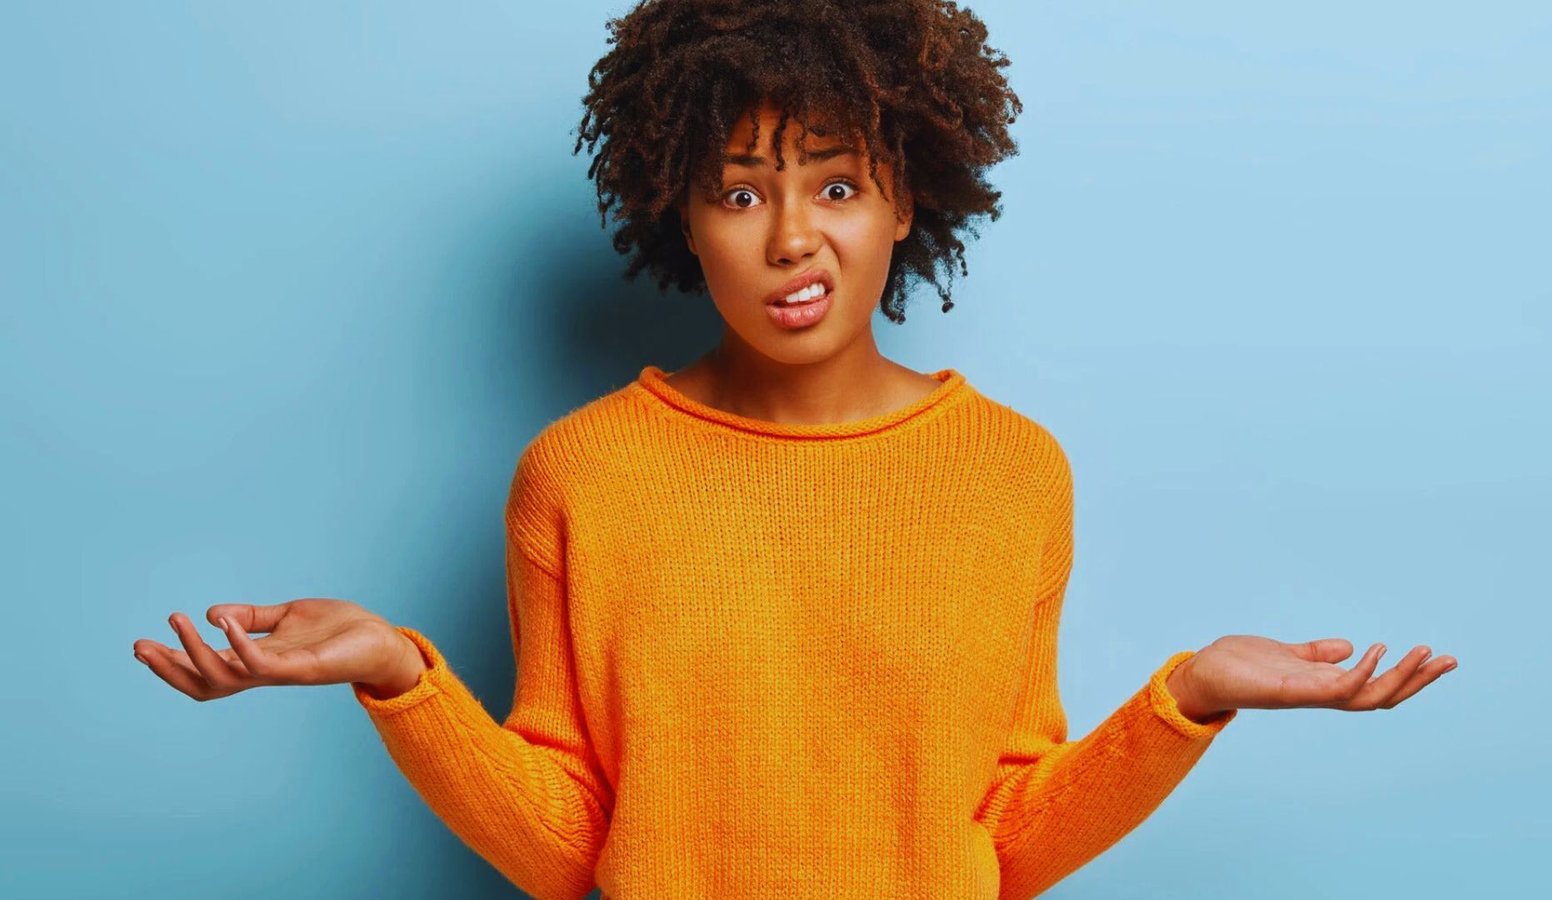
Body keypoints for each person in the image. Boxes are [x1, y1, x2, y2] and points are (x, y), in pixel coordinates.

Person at [132, 2, 1457, 898]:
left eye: (833, 184)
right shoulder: (579, 473)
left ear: (904, 199)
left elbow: (997, 840)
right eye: (739, 191)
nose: (790, 240)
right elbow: (567, 846)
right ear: (681, 215)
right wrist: (400, 677)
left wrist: (1194, 699)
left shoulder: (1011, 473)